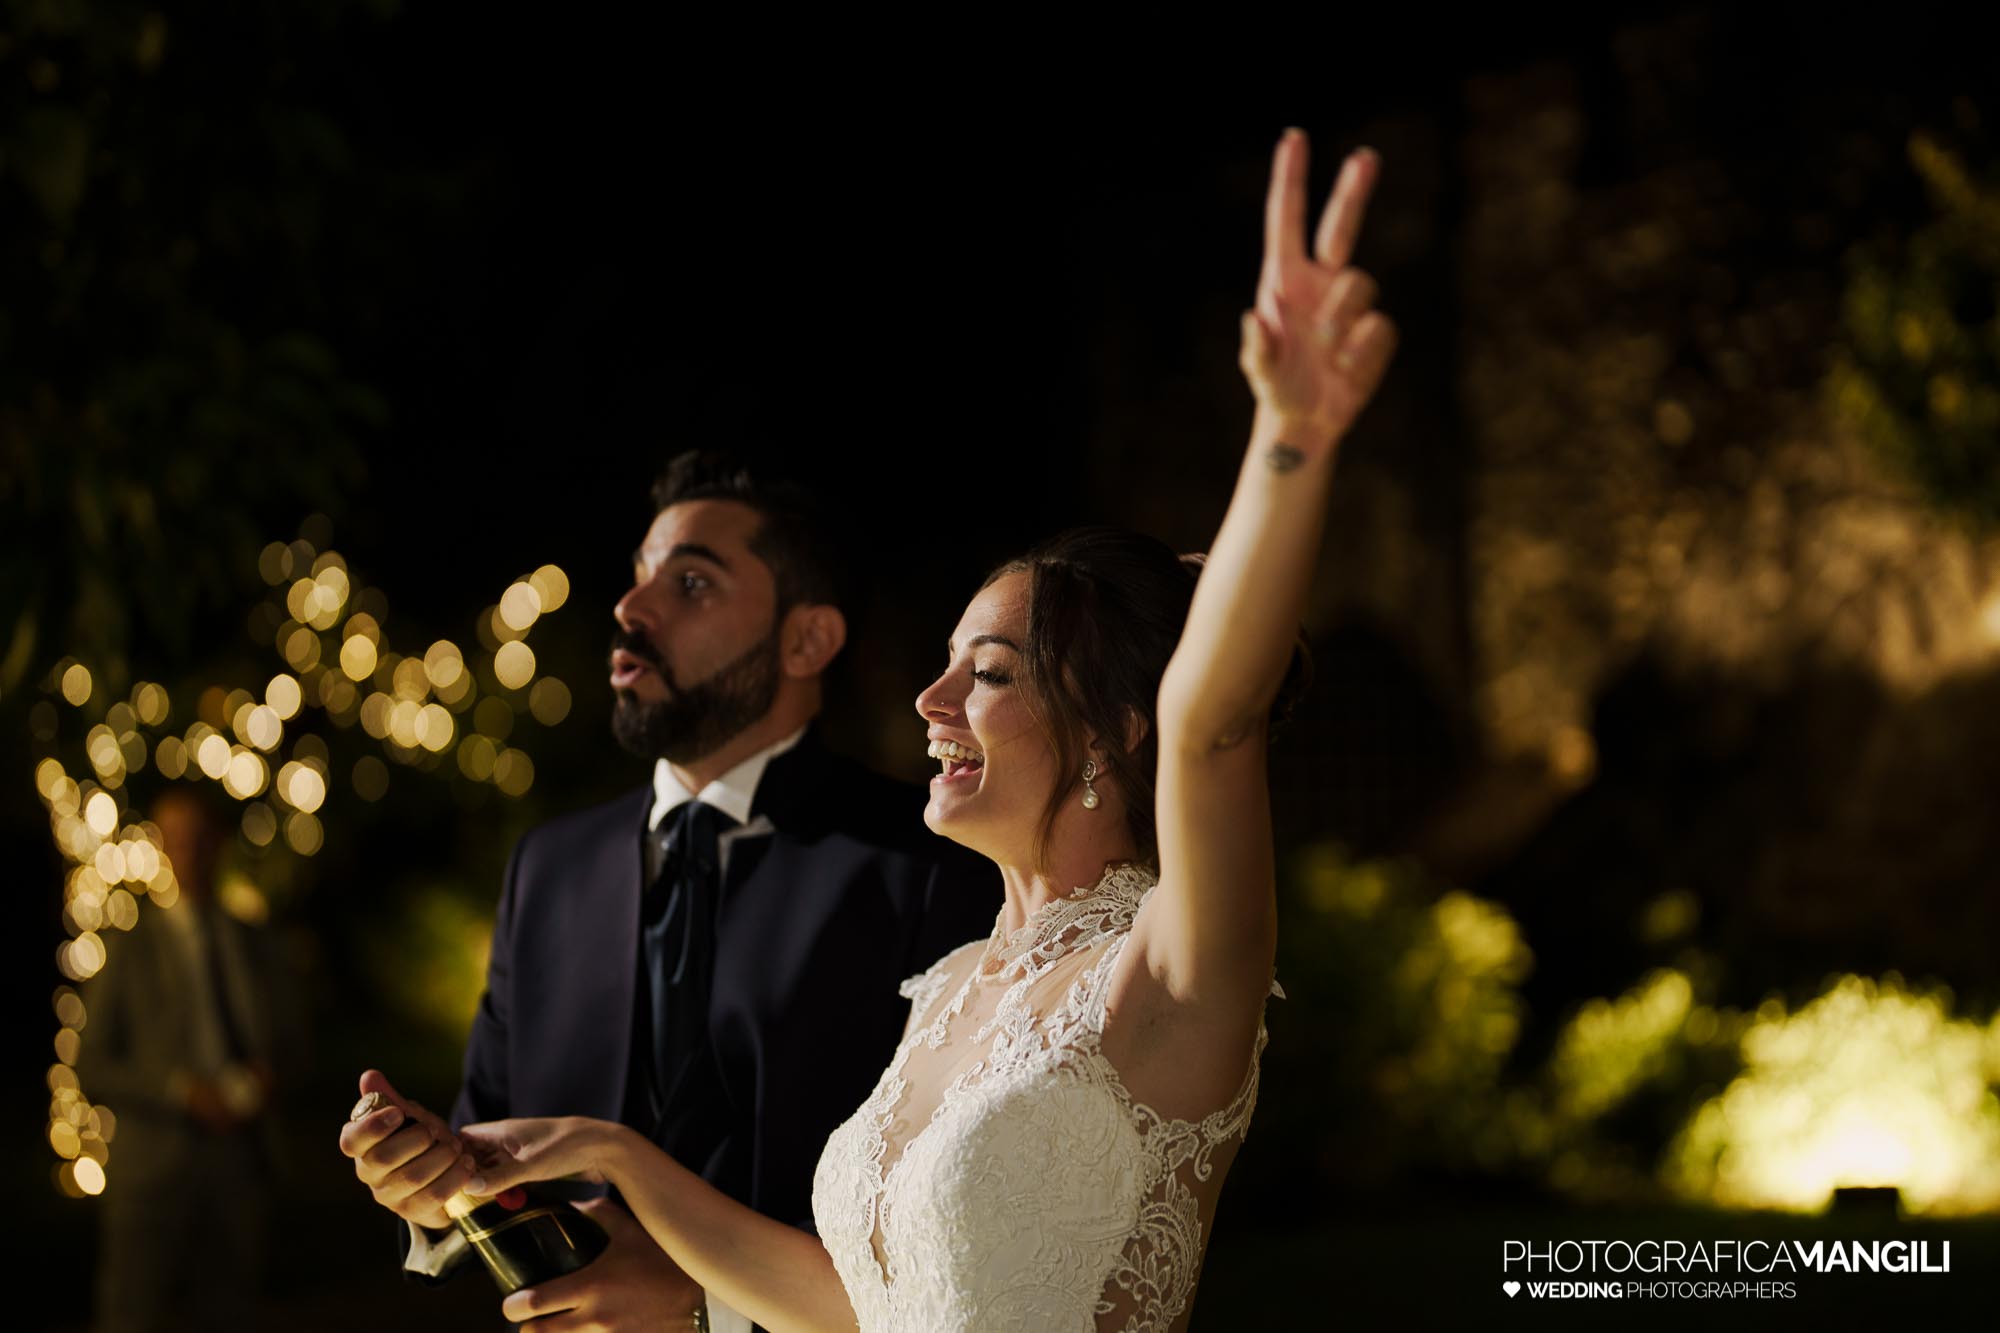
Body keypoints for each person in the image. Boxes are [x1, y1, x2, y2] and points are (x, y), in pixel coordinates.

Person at [453, 128, 1399, 1331]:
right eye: (943, 662)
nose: (929, 700)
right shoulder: (951, 986)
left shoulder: (1162, 972)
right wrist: (617, 1154)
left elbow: (1210, 724)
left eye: (989, 670)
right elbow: (851, 1300)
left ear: (1110, 730)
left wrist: (1292, 438)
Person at [337, 452, 1001, 1331]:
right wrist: (427, 1187)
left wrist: (711, 1304)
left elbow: (947, 1216)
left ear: (808, 640)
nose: (631, 607)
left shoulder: (927, 863)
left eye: (691, 583)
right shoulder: (550, 869)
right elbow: (483, 1151)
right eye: (639, 576)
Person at [80, 785, 290, 1332]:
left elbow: (292, 1039)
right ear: (161, 849)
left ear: (218, 843)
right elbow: (93, 1062)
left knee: (232, 1310)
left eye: (199, 839)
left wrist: (269, 1076)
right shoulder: (128, 946)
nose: (189, 854)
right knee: (133, 1313)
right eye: (176, 841)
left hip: (238, 1160)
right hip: (152, 1169)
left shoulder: (253, 940)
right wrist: (178, 1090)